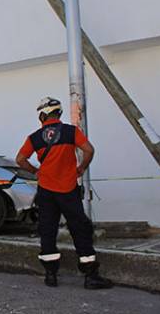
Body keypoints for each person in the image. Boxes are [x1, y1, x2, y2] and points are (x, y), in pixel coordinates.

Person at [16, 97, 113, 290]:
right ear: (58, 113)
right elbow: (89, 150)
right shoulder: (71, 132)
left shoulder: (34, 137)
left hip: (46, 191)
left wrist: (36, 172)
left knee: (47, 230)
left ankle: (51, 275)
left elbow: (20, 159)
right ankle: (90, 276)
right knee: (80, 229)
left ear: (42, 116)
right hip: (69, 190)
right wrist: (81, 168)